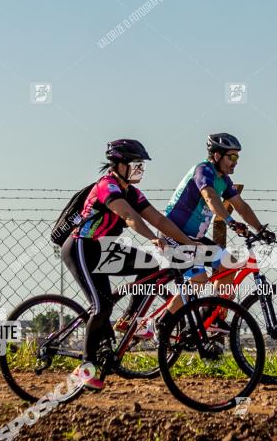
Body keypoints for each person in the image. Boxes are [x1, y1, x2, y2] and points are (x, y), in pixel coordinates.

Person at [61, 139, 194, 390]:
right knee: (100, 307)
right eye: (135, 164)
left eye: (141, 165)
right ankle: (85, 367)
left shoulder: (132, 191)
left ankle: (129, 318)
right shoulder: (107, 186)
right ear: (119, 165)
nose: (140, 169)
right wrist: (152, 238)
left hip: (101, 249)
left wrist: (187, 242)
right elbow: (129, 216)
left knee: (150, 266)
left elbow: (157, 218)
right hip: (80, 246)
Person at [164, 133, 275, 302]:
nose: (236, 161)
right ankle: (163, 322)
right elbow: (210, 197)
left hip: (194, 240)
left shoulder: (224, 180)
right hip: (172, 234)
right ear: (217, 155)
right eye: (232, 156)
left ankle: (211, 313)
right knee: (199, 281)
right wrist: (229, 221)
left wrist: (260, 229)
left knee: (230, 262)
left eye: (237, 156)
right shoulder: (203, 170)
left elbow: (241, 207)